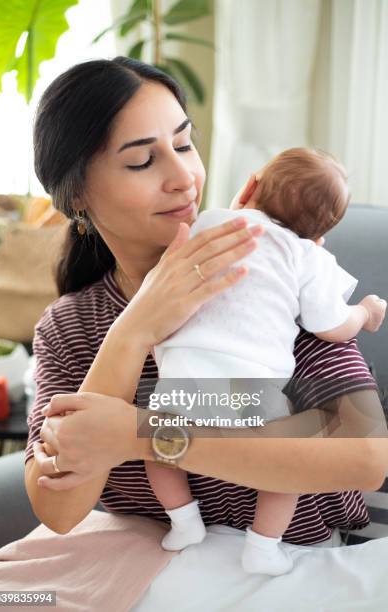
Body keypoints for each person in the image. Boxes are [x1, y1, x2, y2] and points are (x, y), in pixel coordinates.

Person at [10, 56, 386, 601]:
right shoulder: (72, 324)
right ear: (77, 198)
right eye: (142, 161)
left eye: (184, 145)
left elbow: (366, 457)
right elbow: (60, 509)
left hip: (286, 570)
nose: (184, 177)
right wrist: (133, 329)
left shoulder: (258, 270)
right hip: (140, 566)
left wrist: (141, 433)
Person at [149, 147, 387, 576]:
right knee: (284, 468)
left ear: (251, 186)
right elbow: (329, 324)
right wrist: (366, 314)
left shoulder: (208, 224)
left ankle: (184, 523)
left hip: (181, 375)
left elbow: (161, 283)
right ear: (321, 232)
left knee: (159, 452)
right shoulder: (306, 254)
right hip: (251, 385)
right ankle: (263, 547)